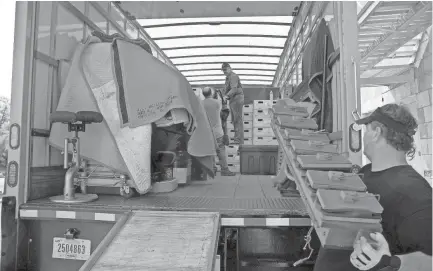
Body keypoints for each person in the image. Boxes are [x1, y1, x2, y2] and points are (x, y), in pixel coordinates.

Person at [313, 103, 432, 271]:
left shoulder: (415, 193)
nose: (364, 137)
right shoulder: (366, 172)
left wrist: (392, 262)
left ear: (376, 133)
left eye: (367, 130)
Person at [202, 87, 235, 176]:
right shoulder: (217, 103)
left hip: (206, 132)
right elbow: (224, 111)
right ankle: (224, 169)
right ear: (211, 93)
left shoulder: (200, 104)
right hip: (217, 131)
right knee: (221, 150)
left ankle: (212, 169)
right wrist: (220, 95)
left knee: (210, 151)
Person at [221, 62, 244, 144]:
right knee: (234, 120)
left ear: (230, 68)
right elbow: (225, 90)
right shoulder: (227, 78)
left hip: (237, 98)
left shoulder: (233, 76)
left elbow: (234, 89)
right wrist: (221, 95)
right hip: (232, 99)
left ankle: (239, 140)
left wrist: (226, 96)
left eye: (225, 69)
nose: (224, 72)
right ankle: (237, 138)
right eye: (223, 71)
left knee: (237, 119)